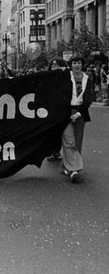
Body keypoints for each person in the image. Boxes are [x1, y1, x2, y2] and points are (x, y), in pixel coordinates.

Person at [60, 55, 92, 183]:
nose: (77, 65)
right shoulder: (65, 77)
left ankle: (67, 165)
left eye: (79, 62)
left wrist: (78, 114)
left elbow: (89, 98)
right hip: (66, 112)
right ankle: (74, 170)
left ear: (82, 64)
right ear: (71, 65)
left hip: (80, 112)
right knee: (69, 141)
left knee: (77, 141)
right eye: (74, 63)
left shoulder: (87, 78)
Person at [45, 58, 67, 162]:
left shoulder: (65, 77)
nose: (55, 67)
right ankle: (49, 152)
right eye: (53, 65)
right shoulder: (47, 77)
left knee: (59, 131)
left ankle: (57, 151)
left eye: (57, 65)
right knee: (50, 131)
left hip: (61, 107)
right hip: (49, 108)